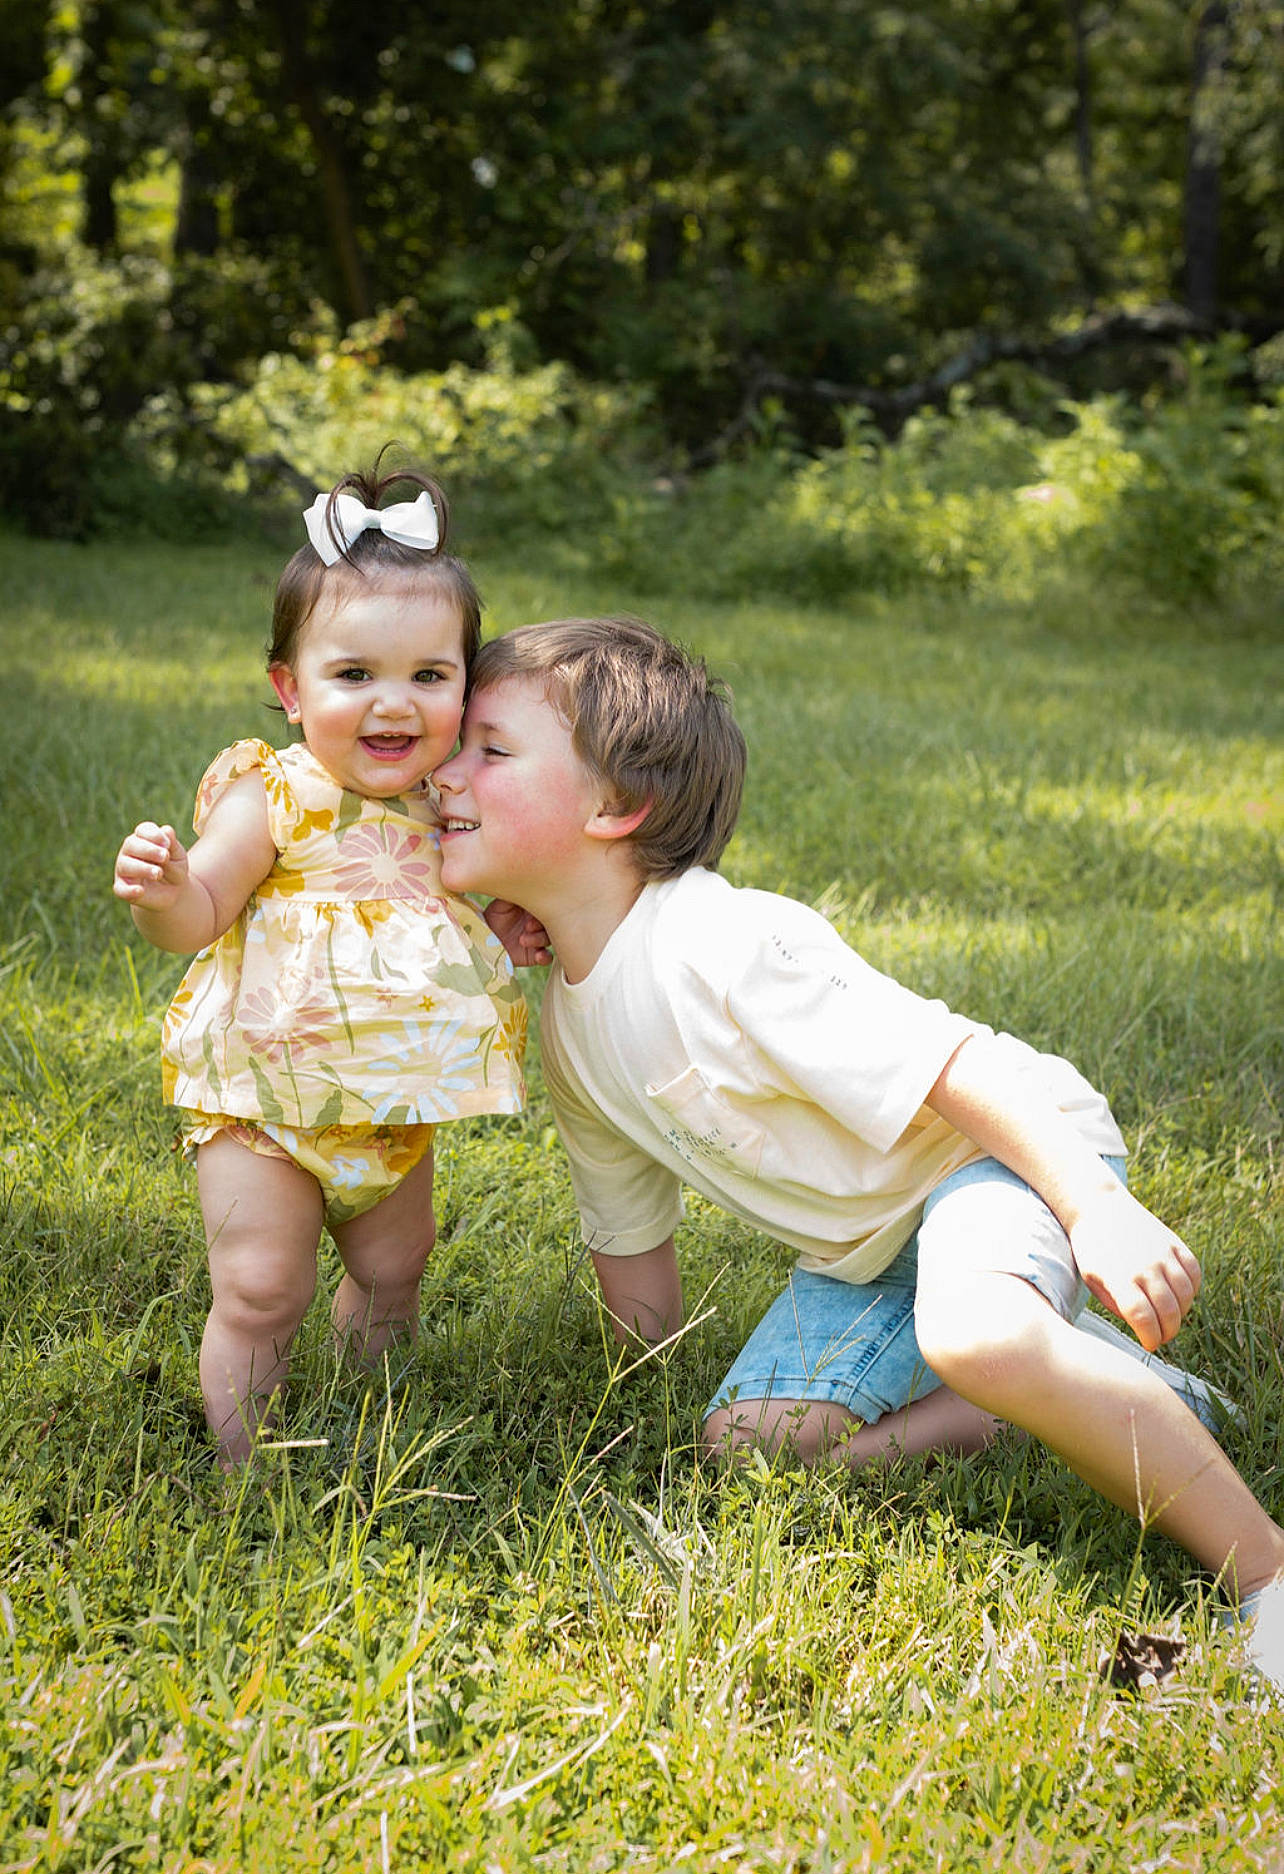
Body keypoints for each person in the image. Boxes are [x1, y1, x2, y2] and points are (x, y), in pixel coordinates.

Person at [431, 613, 1284, 1690]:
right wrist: (629, 1395)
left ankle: (1265, 1578)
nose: (442, 774)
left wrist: (1092, 1207)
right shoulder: (567, 1018)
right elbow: (627, 1226)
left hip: (996, 1158)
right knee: (745, 1440)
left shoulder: (718, 943)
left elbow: (955, 1065)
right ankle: (1059, 1393)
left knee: (974, 1327)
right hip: (871, 1255)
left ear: (616, 806)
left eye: (489, 749)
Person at [113, 465, 541, 1465]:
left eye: (429, 676)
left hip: (392, 1104)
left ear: (467, 687)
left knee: (396, 1269)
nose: (394, 704)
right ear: (290, 689)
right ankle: (244, 1466)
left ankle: (372, 1420)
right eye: (354, 675)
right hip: (259, 1099)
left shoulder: (451, 801)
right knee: (262, 1286)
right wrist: (167, 892)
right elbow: (202, 910)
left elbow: (466, 906)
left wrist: (510, 929)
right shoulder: (273, 794)